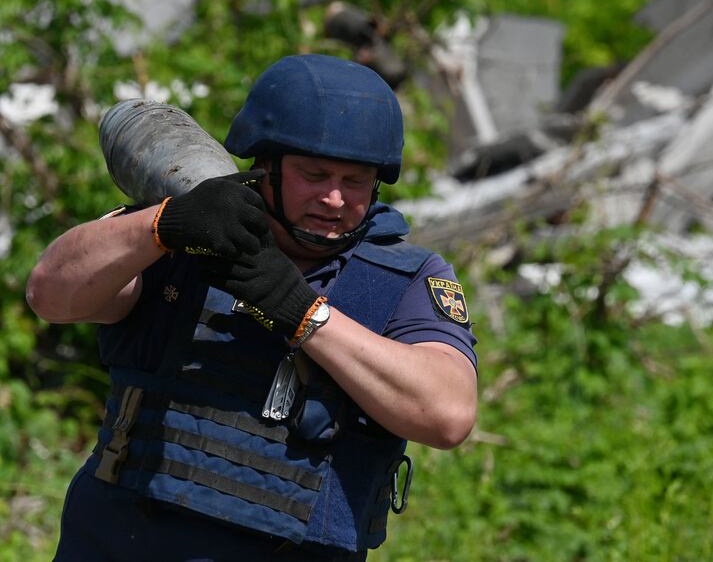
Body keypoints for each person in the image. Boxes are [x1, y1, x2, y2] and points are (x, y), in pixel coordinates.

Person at [26, 54, 478, 561]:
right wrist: (162, 225)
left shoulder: (404, 277)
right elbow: (50, 294)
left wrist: (302, 314)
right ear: (265, 165)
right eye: (314, 173)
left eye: (355, 181)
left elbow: (448, 414)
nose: (333, 198)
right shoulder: (181, 228)